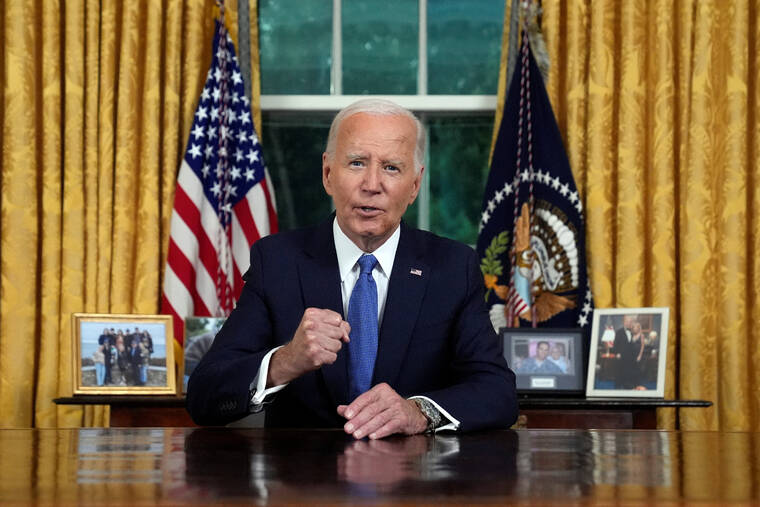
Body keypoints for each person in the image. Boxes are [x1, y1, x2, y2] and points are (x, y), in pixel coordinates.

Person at [187, 98, 517, 438]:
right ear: (328, 174)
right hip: (302, 481)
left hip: (414, 482)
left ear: (414, 185)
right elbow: (204, 396)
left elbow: (498, 391)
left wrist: (418, 411)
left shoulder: (452, 267)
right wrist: (286, 361)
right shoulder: (277, 262)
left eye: (391, 167)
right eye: (357, 163)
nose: (372, 184)